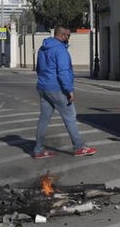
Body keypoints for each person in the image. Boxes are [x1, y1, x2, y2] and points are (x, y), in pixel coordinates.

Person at [32, 27, 96, 159]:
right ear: (62, 35)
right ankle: (79, 147)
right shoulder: (60, 50)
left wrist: (45, 80)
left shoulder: (42, 48)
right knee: (70, 116)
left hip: (43, 87)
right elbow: (63, 72)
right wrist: (69, 90)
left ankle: (38, 150)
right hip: (57, 88)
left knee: (44, 119)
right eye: (68, 35)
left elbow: (39, 68)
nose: (69, 38)